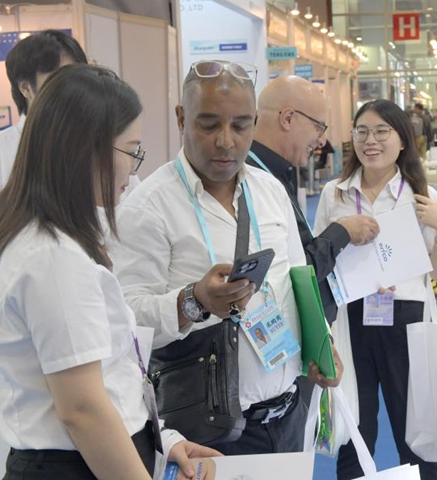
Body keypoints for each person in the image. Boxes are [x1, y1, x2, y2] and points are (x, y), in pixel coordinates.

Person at [0, 64, 218, 480]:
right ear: (86, 149)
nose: (134, 168)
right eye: (132, 150)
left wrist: (162, 436)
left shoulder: (52, 240)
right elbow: (82, 410)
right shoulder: (53, 258)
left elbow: (108, 378)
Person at [111, 60, 342, 456]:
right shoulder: (148, 207)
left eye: (240, 126)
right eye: (209, 124)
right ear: (182, 118)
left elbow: (296, 281)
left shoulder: (269, 190)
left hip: (288, 412)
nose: (226, 141)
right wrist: (193, 302)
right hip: (206, 431)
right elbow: (126, 325)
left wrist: (320, 343)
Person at [314, 99, 437, 480]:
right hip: (350, 319)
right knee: (354, 432)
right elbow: (317, 261)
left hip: (405, 320)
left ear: (402, 140)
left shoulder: (422, 195)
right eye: (361, 132)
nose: (370, 140)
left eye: (381, 132)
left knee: (414, 431)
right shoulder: (335, 194)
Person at [0, 30, 87, 275]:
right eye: (58, 78)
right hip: (29, 304)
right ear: (26, 88)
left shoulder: (96, 146)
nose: (71, 88)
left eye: (77, 76)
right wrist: (37, 276)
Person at [246, 75, 379, 326]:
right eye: (319, 127)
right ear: (287, 118)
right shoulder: (255, 182)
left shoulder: (277, 173)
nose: (321, 141)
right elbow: (288, 273)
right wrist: (342, 232)